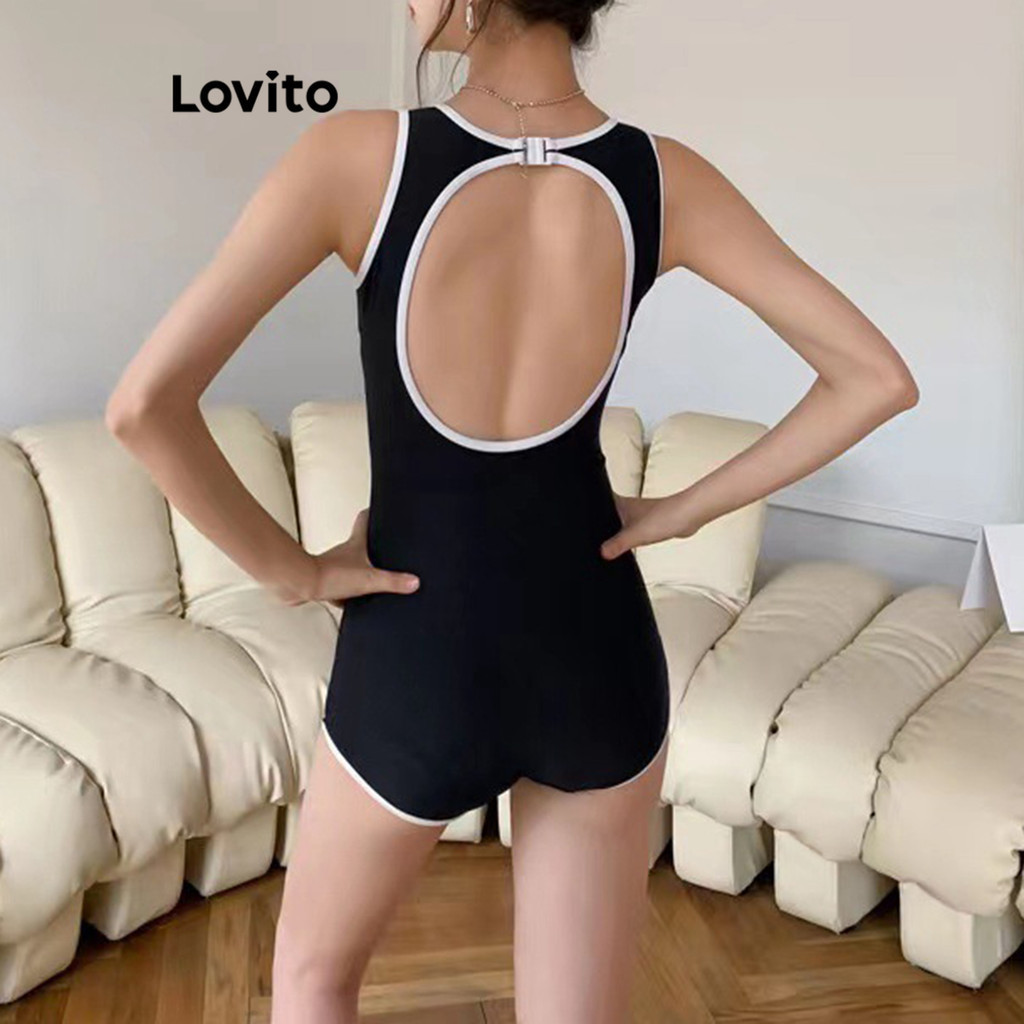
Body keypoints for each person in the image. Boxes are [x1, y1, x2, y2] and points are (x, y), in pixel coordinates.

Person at [106, 1, 919, 1021]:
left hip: (418, 652)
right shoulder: (664, 177)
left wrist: (295, 572)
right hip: (596, 646)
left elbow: (142, 407)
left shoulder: (355, 157)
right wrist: (679, 512)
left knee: (313, 979)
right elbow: (875, 378)